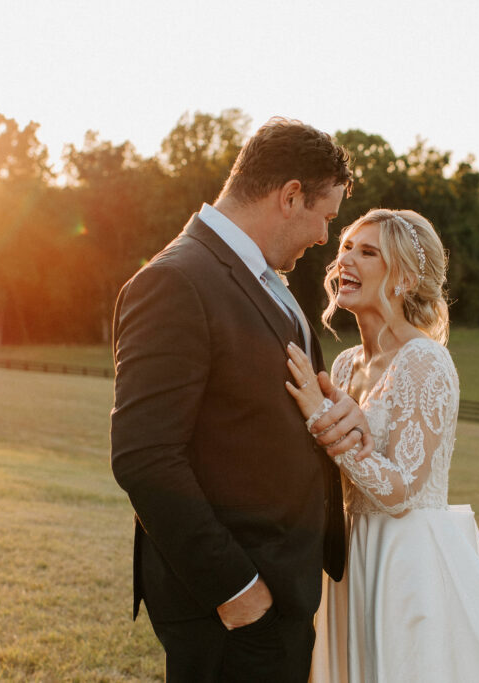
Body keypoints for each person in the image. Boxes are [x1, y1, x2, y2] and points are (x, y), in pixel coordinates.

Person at [110, 118, 374, 683]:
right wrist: (239, 594)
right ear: (290, 197)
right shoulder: (176, 281)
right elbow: (144, 456)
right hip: (233, 604)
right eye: (326, 217)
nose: (326, 238)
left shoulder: (265, 280)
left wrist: (339, 415)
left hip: (280, 586)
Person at [284, 208, 479, 682]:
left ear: (404, 279)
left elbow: (400, 492)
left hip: (407, 557)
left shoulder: (425, 362)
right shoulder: (348, 364)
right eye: (346, 247)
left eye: (367, 252)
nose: (345, 261)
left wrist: (319, 417)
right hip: (351, 552)